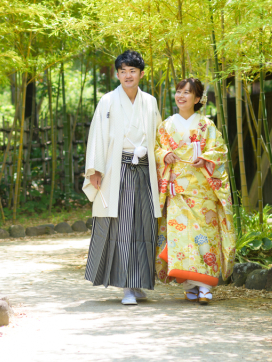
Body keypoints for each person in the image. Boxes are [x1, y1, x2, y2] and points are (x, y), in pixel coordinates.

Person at [82, 50, 162, 305]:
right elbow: (97, 135)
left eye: (132, 71)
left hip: (145, 170)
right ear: (117, 74)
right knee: (124, 226)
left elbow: (160, 137)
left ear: (141, 74)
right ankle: (127, 286)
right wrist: (95, 170)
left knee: (146, 225)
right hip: (119, 170)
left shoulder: (150, 101)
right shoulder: (107, 100)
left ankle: (139, 282)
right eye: (123, 71)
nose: (128, 76)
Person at [154, 78, 236, 304]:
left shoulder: (207, 125)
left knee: (205, 237)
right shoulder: (166, 125)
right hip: (177, 190)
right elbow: (157, 149)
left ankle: (205, 286)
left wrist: (207, 158)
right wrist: (164, 155)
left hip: (202, 190)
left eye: (187, 93)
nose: (181, 96)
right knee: (181, 238)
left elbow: (220, 151)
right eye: (178, 92)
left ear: (197, 98)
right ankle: (189, 284)